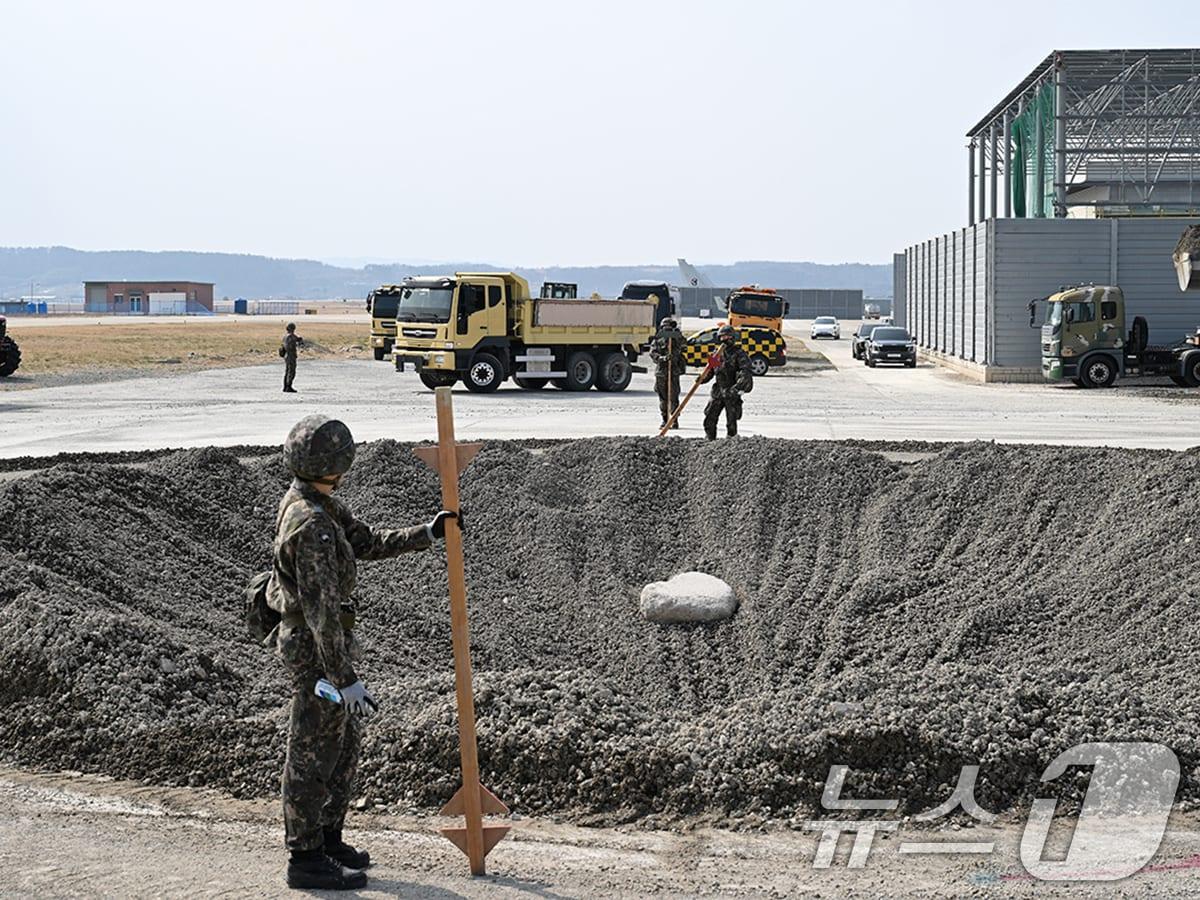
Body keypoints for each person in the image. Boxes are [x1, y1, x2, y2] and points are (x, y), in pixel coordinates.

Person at [267, 414, 458, 890]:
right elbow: (322, 614)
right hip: (316, 652)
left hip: (326, 649)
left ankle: (328, 838)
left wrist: (427, 532)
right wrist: (344, 678)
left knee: (342, 745)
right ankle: (305, 857)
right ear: (333, 465)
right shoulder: (310, 523)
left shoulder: (319, 504)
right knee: (312, 750)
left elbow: (366, 541)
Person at [700, 324, 753, 441]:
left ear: (732, 337)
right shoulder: (716, 353)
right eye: (722, 337)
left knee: (731, 420)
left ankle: (731, 441)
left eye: (727, 336)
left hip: (731, 391)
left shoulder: (739, 354)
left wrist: (736, 388)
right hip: (718, 390)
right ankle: (710, 439)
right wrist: (702, 379)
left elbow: (745, 372)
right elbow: (710, 371)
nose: (724, 339)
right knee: (710, 417)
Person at [650, 316, 686, 429]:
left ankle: (674, 420)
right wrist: (662, 358)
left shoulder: (677, 338)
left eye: (669, 327)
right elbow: (653, 353)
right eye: (665, 327)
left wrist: (676, 335)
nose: (667, 329)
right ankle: (665, 419)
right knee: (663, 398)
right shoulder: (658, 339)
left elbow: (684, 345)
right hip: (661, 372)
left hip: (673, 371)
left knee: (673, 397)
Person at [281, 323, 304, 393]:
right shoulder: (291, 336)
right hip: (291, 355)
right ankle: (288, 386)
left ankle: (285, 386)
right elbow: (296, 341)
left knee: (287, 371)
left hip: (286, 355)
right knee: (291, 371)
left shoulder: (285, 336)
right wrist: (299, 341)